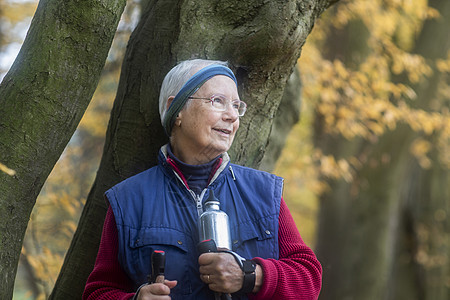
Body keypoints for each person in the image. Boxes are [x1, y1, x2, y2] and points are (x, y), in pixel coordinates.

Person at [83, 59, 322, 300]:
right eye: (217, 101)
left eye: (236, 105)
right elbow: (97, 292)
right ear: (175, 110)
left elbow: (309, 280)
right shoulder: (128, 200)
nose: (232, 116)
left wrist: (250, 276)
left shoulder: (263, 193)